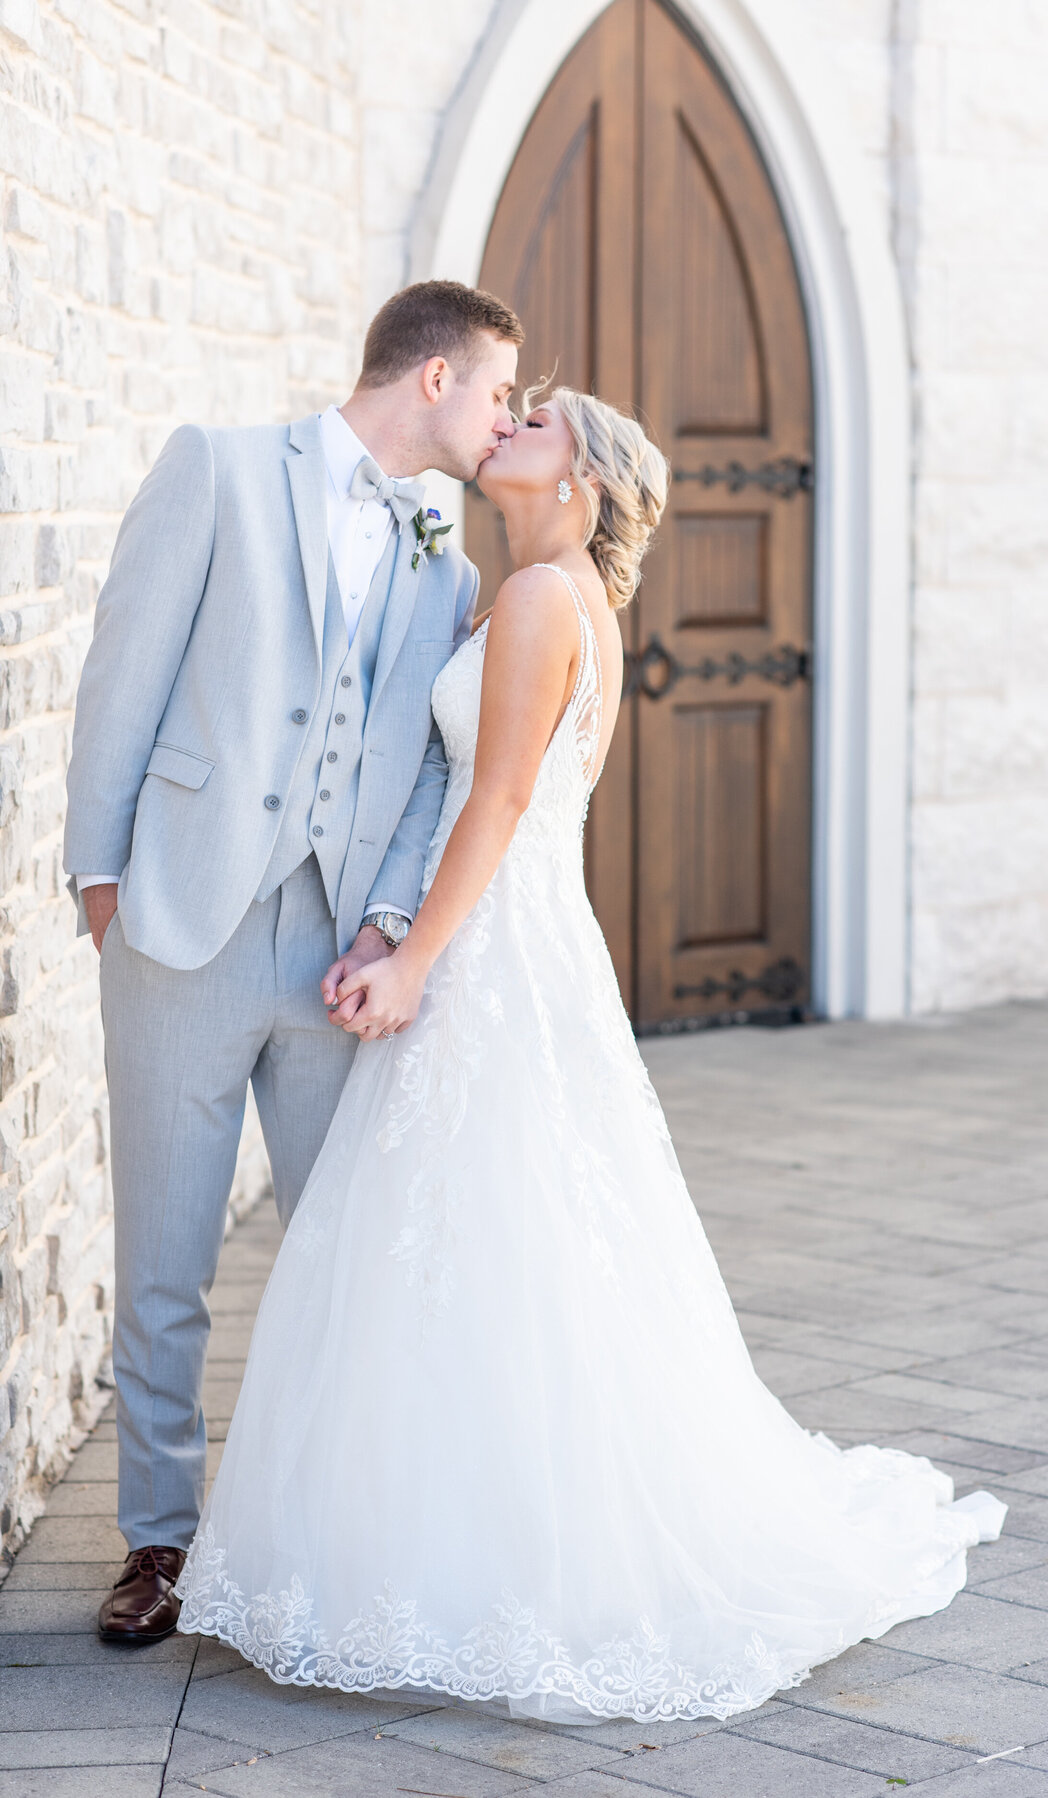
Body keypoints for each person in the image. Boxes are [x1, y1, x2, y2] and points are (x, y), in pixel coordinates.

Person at [173, 387, 1005, 1722]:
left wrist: (412, 957)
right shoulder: (544, 595)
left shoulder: (550, 600)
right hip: (524, 941)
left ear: (586, 484)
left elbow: (496, 794)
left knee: (495, 1234)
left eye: (545, 421)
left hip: (494, 950)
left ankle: (496, 1564)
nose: (516, 422)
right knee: (517, 1234)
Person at [63, 280, 524, 1644]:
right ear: (432, 375)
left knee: (341, 1258)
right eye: (497, 389)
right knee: (165, 1257)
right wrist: (104, 883)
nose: (502, 420)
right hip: (180, 926)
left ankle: (315, 1535)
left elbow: (436, 772)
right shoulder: (219, 466)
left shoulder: (449, 564)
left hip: (338, 960)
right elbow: (121, 671)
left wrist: (389, 922)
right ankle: (158, 1538)